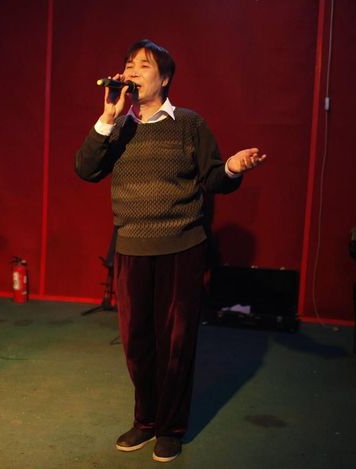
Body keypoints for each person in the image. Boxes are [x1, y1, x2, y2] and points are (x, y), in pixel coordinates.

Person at [75, 39, 266, 463]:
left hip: (181, 247)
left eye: (144, 66)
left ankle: (170, 427)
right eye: (129, 64)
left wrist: (232, 167)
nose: (133, 71)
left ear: (164, 78)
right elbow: (85, 169)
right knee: (137, 342)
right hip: (132, 248)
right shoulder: (119, 128)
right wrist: (107, 118)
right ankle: (145, 419)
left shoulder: (189, 124)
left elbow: (214, 177)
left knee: (176, 342)